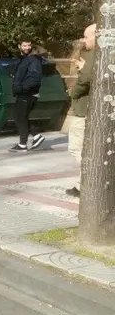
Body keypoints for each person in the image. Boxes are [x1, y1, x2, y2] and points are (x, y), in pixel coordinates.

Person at [65, 24, 96, 198]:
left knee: (77, 148)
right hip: (91, 110)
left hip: (84, 110)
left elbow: (86, 80)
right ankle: (81, 183)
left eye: (86, 36)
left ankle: (88, 180)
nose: (84, 40)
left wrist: (73, 93)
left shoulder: (93, 55)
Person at [9, 38, 46, 152]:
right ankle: (36, 136)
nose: (27, 48)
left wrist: (22, 87)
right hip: (23, 92)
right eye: (24, 45)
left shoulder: (33, 59)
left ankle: (23, 144)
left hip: (28, 93)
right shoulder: (24, 59)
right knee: (20, 116)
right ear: (19, 46)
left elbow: (35, 79)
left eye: (29, 45)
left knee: (20, 117)